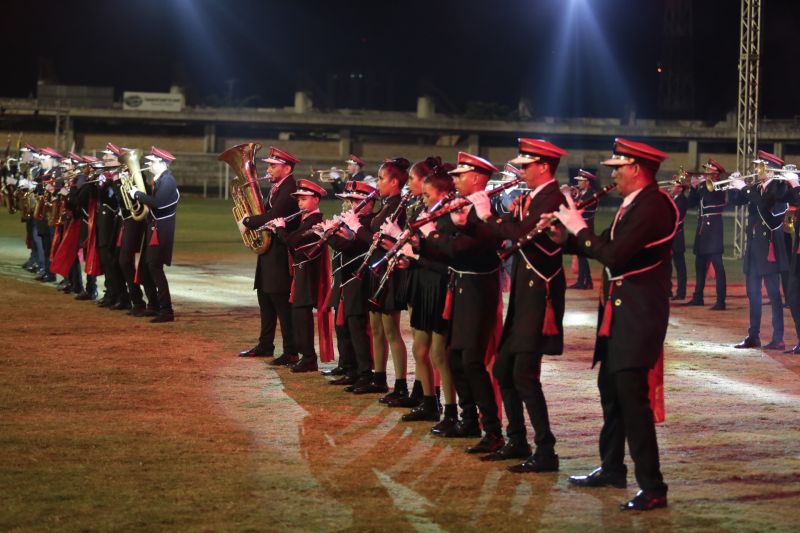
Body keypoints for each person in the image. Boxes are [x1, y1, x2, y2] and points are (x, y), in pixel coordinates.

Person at [546, 138, 674, 511]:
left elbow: (615, 256)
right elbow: (605, 244)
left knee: (633, 400)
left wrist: (577, 226)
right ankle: (612, 467)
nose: (612, 174)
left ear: (636, 168)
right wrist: (565, 239)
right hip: (621, 313)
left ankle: (653, 487)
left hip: (638, 315)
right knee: (611, 391)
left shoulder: (654, 205)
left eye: (617, 168)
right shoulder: (634, 204)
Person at [468, 138, 567, 472]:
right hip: (525, 296)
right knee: (504, 370)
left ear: (542, 166)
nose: (521, 170)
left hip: (540, 298)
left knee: (523, 374)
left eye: (526, 165)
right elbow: (520, 228)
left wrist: (486, 216)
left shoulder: (554, 197)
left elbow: (524, 233)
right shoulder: (535, 197)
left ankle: (546, 451)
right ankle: (517, 439)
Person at [416, 151, 504, 455]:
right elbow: (447, 246)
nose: (455, 180)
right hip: (461, 286)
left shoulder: (482, 210)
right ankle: (468, 420)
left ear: (478, 178)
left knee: (472, 360)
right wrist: (421, 244)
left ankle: (492, 429)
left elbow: (461, 248)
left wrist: (431, 236)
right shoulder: (464, 206)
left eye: (461, 175)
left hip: (479, 288)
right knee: (454, 356)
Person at [340, 157, 410, 399]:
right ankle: (378, 377)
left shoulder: (398, 205)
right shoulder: (388, 204)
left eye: (381, 179)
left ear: (394, 181)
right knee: (377, 328)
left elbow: (380, 239)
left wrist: (356, 227)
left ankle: (401, 385)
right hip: (375, 270)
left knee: (391, 330)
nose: (377, 183)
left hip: (390, 273)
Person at [397, 157, 456, 422]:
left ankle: (451, 410)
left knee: (438, 353)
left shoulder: (451, 217)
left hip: (439, 285)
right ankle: (428, 401)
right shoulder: (424, 210)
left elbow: (448, 260)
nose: (425, 200)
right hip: (421, 281)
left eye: (428, 195)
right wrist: (409, 253)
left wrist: (419, 252)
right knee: (419, 349)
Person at [237, 147, 300, 361]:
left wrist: (247, 222)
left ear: (287, 168)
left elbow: (274, 214)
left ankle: (291, 351)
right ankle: (265, 345)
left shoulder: (290, 188)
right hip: (269, 253)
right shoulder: (277, 188)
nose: (268, 169)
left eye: (273, 166)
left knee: (282, 305)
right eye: (269, 165)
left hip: (280, 254)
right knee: (265, 300)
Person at [729, 150, 789, 350]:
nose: (756, 170)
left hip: (769, 248)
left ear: (770, 170)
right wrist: (734, 186)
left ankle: (778, 337)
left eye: (760, 166)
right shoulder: (757, 188)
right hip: (754, 248)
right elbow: (736, 202)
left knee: (773, 295)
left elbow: (766, 210)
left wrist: (746, 189)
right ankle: (753, 335)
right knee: (753, 293)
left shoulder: (778, 190)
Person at [271, 179, 332, 372]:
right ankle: (305, 356)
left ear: (316, 199)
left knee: (301, 314)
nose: (300, 204)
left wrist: (280, 228)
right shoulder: (305, 220)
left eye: (304, 199)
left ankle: (309, 358)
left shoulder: (315, 221)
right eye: (298, 200)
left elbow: (293, 242)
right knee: (299, 314)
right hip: (301, 272)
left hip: (308, 274)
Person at [323, 180, 378, 386]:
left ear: (369, 202)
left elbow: (350, 246)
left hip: (357, 279)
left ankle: (364, 372)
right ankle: (347, 367)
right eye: (349, 200)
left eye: (356, 201)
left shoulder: (369, 222)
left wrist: (329, 236)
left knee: (356, 327)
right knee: (342, 327)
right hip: (343, 278)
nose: (351, 204)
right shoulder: (354, 219)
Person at [129, 146, 180, 323]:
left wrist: (138, 194)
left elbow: (158, 203)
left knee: (155, 268)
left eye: (152, 162)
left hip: (161, 231)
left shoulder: (168, 181)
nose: (148, 164)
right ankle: (153, 304)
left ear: (162, 163)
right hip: (153, 229)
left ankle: (166, 310)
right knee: (145, 267)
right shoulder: (159, 180)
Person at [685, 160, 727, 310]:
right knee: (699, 264)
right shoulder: (704, 185)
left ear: (715, 172)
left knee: (718, 266)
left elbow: (712, 199)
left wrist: (702, 185)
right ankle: (698, 297)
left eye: (709, 169)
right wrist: (693, 187)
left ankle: (721, 301)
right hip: (702, 227)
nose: (705, 171)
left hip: (714, 227)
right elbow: (691, 204)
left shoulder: (720, 185)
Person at [569, 169, 598, 290]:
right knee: (581, 255)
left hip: (586, 228)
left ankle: (584, 281)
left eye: (581, 181)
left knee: (582, 255)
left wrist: (568, 196)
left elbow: (578, 208)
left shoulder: (591, 195)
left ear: (587, 182)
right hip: (580, 227)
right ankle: (584, 281)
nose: (579, 183)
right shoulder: (582, 193)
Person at [670, 178, 688, 300]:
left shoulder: (682, 201)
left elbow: (675, 217)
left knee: (680, 266)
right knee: (668, 266)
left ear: (680, 189)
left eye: (674, 185)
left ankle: (681, 292)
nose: (671, 187)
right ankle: (668, 290)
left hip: (676, 236)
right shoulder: (674, 199)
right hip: (671, 236)